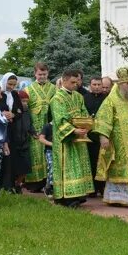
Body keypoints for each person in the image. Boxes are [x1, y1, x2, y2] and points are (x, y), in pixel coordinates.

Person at [94, 67, 128, 206]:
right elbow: (103, 118)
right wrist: (103, 137)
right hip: (119, 143)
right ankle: (118, 197)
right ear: (119, 84)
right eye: (127, 83)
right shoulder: (111, 100)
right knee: (121, 168)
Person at [50, 69, 94, 208]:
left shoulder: (78, 96)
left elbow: (84, 113)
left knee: (79, 166)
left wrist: (87, 126)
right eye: (72, 82)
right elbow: (59, 119)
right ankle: (66, 197)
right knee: (67, 167)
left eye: (77, 82)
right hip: (65, 139)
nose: (75, 85)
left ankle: (79, 195)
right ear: (64, 81)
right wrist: (74, 130)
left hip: (79, 136)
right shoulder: (56, 99)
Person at [24, 63, 56, 190]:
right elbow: (26, 110)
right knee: (36, 154)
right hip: (35, 127)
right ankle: (34, 184)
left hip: (49, 127)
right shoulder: (28, 89)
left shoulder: (54, 89)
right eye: (39, 74)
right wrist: (29, 128)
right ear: (35, 74)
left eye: (44, 74)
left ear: (48, 74)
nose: (42, 76)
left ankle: (48, 181)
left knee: (49, 154)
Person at [0, 72, 23, 193]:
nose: (12, 87)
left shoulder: (14, 94)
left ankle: (9, 183)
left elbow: (20, 110)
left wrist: (13, 114)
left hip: (12, 129)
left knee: (10, 156)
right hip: (0, 129)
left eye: (14, 84)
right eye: (9, 84)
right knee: (2, 155)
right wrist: (2, 114)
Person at [84, 76, 106, 196]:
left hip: (102, 134)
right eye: (94, 85)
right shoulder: (85, 98)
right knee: (91, 161)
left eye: (99, 85)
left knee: (102, 161)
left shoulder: (106, 99)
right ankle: (92, 188)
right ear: (90, 85)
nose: (97, 87)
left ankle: (102, 187)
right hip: (90, 135)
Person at [10, 90, 36, 193]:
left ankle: (18, 184)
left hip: (24, 143)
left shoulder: (27, 112)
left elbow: (30, 125)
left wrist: (34, 133)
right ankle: (11, 186)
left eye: (26, 101)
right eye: (22, 101)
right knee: (14, 168)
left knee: (25, 167)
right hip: (14, 143)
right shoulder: (13, 111)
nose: (25, 103)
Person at [38, 113, 54, 198]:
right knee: (51, 167)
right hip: (50, 151)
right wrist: (51, 144)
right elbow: (41, 138)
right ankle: (48, 187)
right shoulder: (47, 126)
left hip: (60, 151)